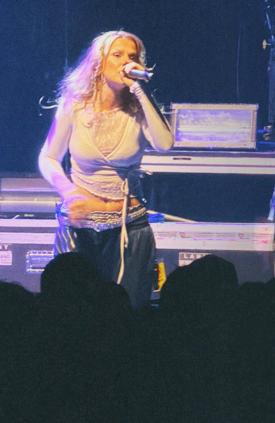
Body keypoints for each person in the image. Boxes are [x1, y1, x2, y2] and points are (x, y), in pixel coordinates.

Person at [38, 30, 174, 308]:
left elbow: (165, 143)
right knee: (73, 311)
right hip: (80, 227)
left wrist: (138, 88)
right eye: (118, 55)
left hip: (128, 226)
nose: (127, 61)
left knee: (128, 311)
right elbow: (48, 157)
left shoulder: (138, 109)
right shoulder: (73, 105)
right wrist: (69, 192)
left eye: (133, 57)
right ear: (98, 63)